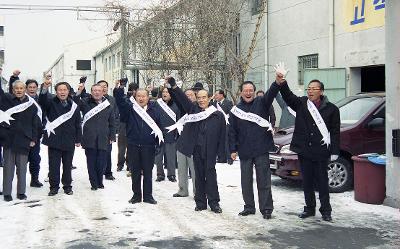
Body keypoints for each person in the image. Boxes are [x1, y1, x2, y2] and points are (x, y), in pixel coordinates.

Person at [276, 62, 340, 222]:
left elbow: (335, 132)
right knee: (307, 182)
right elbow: (288, 96)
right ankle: (309, 208)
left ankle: (326, 211)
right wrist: (282, 81)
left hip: (321, 151)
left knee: (322, 182)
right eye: (309, 88)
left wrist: (335, 151)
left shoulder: (332, 109)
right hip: (305, 150)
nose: (310, 91)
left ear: (321, 91)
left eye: (314, 89)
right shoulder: (302, 103)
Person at [166, 77, 226, 213]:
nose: (201, 100)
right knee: (197, 176)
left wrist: (222, 153)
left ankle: (214, 202)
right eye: (199, 97)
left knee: (210, 176)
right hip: (196, 149)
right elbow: (182, 99)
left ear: (209, 98)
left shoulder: (217, 115)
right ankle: (200, 202)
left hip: (210, 150)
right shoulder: (193, 109)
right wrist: (173, 86)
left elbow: (223, 136)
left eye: (204, 97)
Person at [229, 77, 281, 220]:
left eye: (251, 90)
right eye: (245, 90)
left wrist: (276, 82)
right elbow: (232, 131)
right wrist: (232, 149)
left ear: (254, 91)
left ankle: (266, 209)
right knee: (245, 181)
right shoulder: (235, 110)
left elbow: (271, 93)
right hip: (244, 150)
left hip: (261, 149)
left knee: (264, 180)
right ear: (241, 93)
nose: (248, 93)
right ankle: (249, 207)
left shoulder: (262, 102)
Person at [114, 82, 162, 205]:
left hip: (149, 146)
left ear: (148, 97)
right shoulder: (130, 109)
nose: (141, 98)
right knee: (135, 172)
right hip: (133, 145)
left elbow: (159, 129)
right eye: (138, 96)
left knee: (147, 172)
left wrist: (158, 145)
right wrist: (120, 89)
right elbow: (120, 102)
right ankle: (136, 195)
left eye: (143, 96)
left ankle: (148, 196)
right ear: (135, 97)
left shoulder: (154, 111)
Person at [39, 79, 82, 196]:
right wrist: (44, 88)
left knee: (68, 165)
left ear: (68, 91)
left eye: (64, 90)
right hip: (54, 139)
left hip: (69, 139)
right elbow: (41, 101)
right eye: (60, 90)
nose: (62, 92)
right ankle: (54, 187)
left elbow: (78, 123)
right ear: (56, 92)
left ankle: (67, 186)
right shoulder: (50, 102)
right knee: (54, 165)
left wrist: (78, 139)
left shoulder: (74, 106)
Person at [0, 81, 39, 201]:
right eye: (16, 88)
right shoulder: (5, 101)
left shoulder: (31, 105)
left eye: (21, 88)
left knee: (22, 169)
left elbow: (35, 124)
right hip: (9, 140)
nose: (19, 90)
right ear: (13, 89)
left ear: (25, 89)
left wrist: (33, 138)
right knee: (8, 169)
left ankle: (21, 192)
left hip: (24, 140)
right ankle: (7, 193)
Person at [75, 83, 116, 190]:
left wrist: (112, 136)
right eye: (94, 90)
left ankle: (100, 181)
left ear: (103, 92)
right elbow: (75, 102)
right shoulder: (85, 103)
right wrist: (79, 91)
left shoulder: (108, 105)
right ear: (91, 92)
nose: (97, 92)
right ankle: (94, 183)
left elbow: (112, 122)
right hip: (89, 138)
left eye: (99, 90)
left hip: (103, 138)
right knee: (91, 162)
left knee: (102, 162)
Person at [173, 89, 197, 198]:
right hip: (181, 142)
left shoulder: (198, 109)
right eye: (186, 95)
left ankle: (197, 191)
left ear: (195, 96)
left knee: (195, 170)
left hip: (194, 144)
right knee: (182, 169)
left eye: (191, 95)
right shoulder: (181, 108)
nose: (188, 97)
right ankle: (182, 190)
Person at [155, 87, 180, 182]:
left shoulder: (176, 105)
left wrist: (177, 133)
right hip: (159, 134)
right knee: (158, 156)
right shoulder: (157, 104)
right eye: (164, 92)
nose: (165, 94)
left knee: (171, 156)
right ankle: (160, 174)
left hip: (171, 133)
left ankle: (171, 174)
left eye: (167, 92)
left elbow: (178, 120)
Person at [97, 80, 118, 181]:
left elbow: (115, 115)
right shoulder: (93, 99)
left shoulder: (112, 99)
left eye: (105, 86)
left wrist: (113, 133)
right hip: (96, 131)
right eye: (101, 86)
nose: (103, 88)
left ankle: (108, 172)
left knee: (107, 152)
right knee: (97, 153)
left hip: (108, 131)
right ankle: (98, 172)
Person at [26, 79, 44, 188]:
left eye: (34, 87)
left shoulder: (41, 99)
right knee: (21, 160)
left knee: (35, 158)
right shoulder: (22, 99)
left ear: (37, 88)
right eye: (30, 87)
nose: (32, 89)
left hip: (36, 134)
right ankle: (21, 180)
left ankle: (34, 179)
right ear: (26, 88)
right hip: (23, 134)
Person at [117, 82, 139, 172]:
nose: (133, 92)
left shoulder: (139, 99)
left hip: (133, 124)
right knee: (122, 146)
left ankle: (129, 164)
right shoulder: (125, 98)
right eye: (132, 90)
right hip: (123, 123)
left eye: (135, 90)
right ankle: (120, 164)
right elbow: (120, 103)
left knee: (131, 145)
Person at [213, 89, 234, 164]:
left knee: (226, 141)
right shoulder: (214, 103)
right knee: (219, 141)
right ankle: (221, 157)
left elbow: (231, 113)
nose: (215, 96)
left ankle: (229, 158)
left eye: (216, 95)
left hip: (227, 124)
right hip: (217, 124)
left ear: (221, 95)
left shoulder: (228, 102)